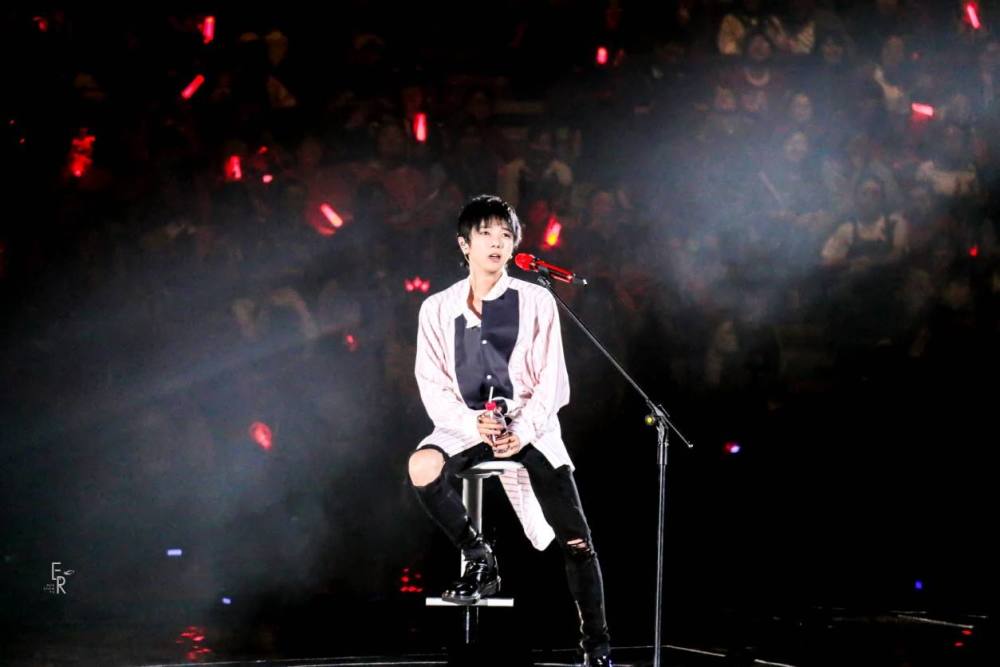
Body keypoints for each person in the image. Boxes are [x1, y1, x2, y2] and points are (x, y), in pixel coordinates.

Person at [406, 195, 612, 666]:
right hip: (467, 424)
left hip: (528, 424)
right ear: (465, 244)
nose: (497, 243)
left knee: (576, 539)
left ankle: (597, 645)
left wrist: (523, 430)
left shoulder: (537, 300)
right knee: (422, 466)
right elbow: (431, 385)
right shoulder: (436, 308)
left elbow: (552, 382)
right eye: (486, 234)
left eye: (505, 234)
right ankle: (479, 557)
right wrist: (470, 422)